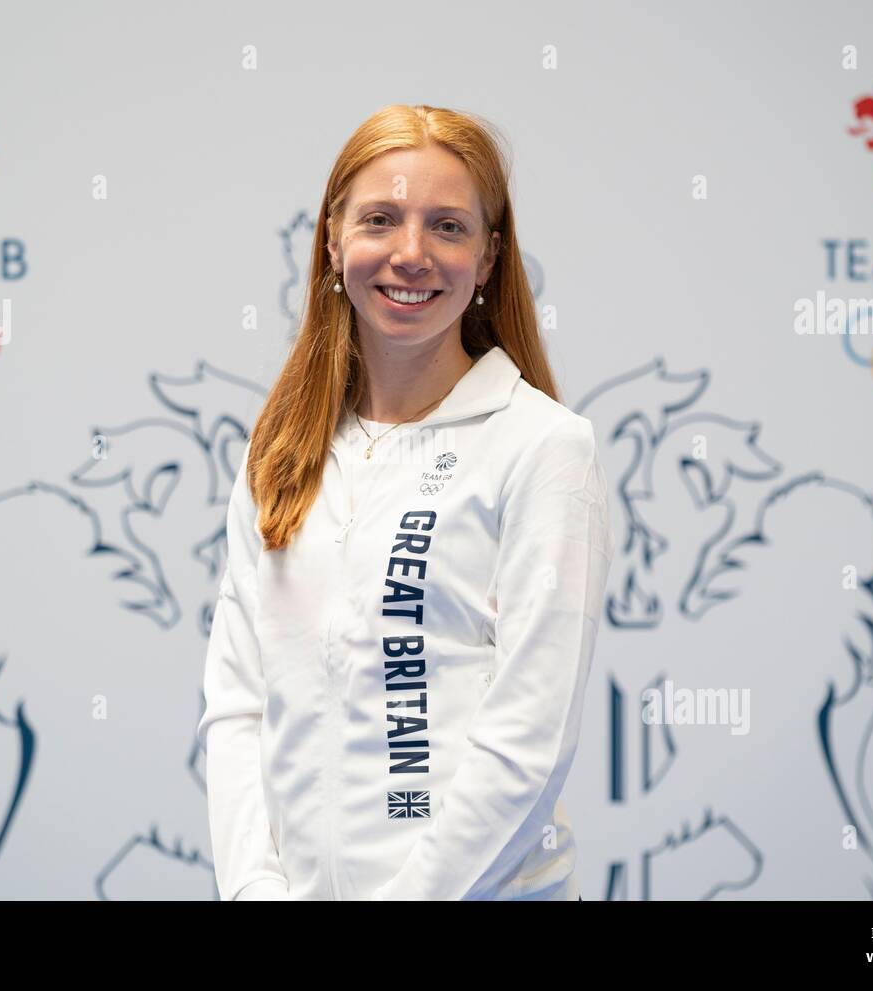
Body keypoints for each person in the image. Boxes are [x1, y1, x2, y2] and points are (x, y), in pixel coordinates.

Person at [196, 104, 617, 900]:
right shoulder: (280, 450)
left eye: (448, 227)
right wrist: (254, 889)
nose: (411, 254)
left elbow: (527, 740)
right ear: (331, 239)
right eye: (381, 219)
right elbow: (238, 705)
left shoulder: (543, 447)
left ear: (490, 256)